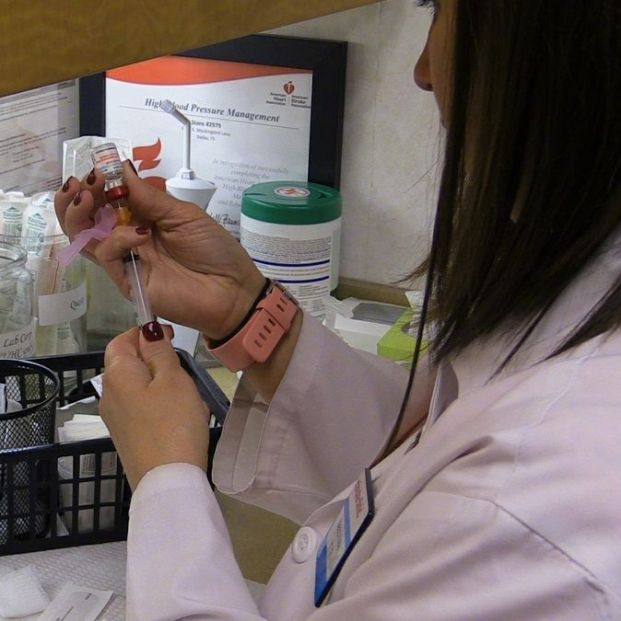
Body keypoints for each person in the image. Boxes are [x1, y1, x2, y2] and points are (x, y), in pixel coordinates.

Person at [55, 0, 621, 618]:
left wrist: (164, 476)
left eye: (437, 10)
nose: (423, 72)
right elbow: (418, 455)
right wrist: (245, 310)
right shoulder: (575, 297)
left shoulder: (535, 516)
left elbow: (472, 486)